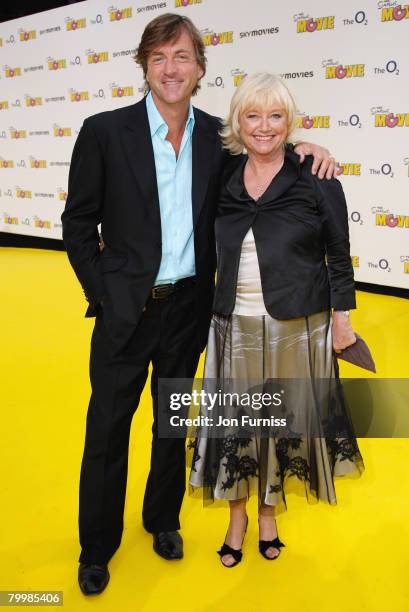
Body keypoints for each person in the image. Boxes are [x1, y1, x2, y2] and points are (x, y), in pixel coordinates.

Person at [61, 13, 338, 595]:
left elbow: (265, 153)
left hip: (189, 311)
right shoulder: (105, 131)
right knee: (107, 429)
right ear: (145, 66)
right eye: (159, 57)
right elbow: (78, 223)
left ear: (199, 69)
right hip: (125, 312)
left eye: (182, 57)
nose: (171, 68)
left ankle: (163, 520)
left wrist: (308, 147)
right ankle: (97, 545)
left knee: (171, 424)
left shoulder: (217, 139)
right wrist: (104, 293)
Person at [188, 73, 365, 568]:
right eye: (252, 115)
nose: (263, 127)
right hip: (233, 326)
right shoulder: (221, 174)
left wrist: (343, 319)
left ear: (290, 123)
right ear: (237, 122)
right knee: (235, 426)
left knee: (282, 425)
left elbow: (340, 255)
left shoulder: (315, 174)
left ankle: (268, 515)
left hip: (297, 327)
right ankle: (237, 516)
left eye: (275, 116)